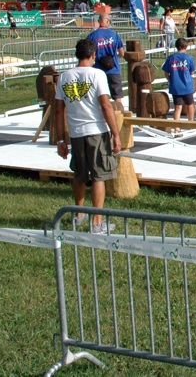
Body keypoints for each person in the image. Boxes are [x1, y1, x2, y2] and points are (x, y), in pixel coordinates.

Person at [53, 38, 122, 234]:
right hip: (96, 131)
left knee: (80, 175)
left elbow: (58, 111)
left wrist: (60, 140)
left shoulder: (64, 77)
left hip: (76, 134)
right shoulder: (97, 74)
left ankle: (79, 215)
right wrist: (116, 134)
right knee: (99, 176)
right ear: (93, 55)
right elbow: (106, 105)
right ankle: (97, 223)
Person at [87, 13, 126, 102]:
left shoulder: (92, 36)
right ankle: (119, 110)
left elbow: (87, 53)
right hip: (114, 70)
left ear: (98, 21)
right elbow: (122, 53)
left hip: (98, 70)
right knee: (117, 97)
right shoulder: (115, 35)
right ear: (108, 21)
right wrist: (116, 57)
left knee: (100, 97)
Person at [162, 37, 196, 129]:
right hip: (187, 85)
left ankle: (177, 127)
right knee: (190, 105)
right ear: (186, 46)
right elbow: (192, 72)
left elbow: (166, 73)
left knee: (178, 107)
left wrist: (170, 80)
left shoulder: (171, 58)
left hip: (175, 86)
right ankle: (191, 123)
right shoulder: (189, 58)